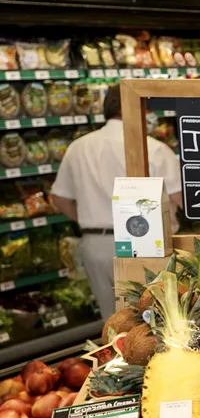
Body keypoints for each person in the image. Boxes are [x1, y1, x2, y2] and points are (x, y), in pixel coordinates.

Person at [48, 86, 182, 316]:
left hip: (95, 244)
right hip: (146, 244)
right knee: (154, 321)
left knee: (112, 323)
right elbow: (179, 197)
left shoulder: (78, 147)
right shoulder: (155, 148)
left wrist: (94, 221)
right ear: (132, 107)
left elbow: (59, 199)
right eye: (147, 108)